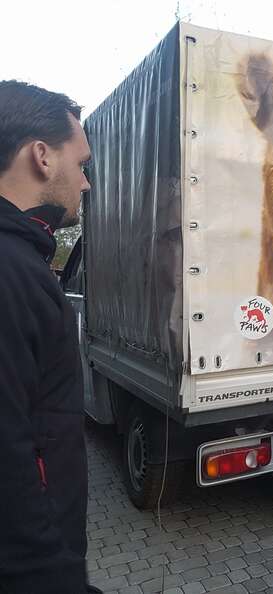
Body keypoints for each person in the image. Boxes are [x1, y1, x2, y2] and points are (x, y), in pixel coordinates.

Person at [0, 81, 96, 593]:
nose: (85, 183)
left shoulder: (22, 258)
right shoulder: (9, 270)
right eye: (79, 163)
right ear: (41, 156)